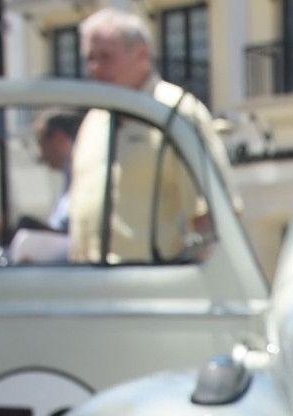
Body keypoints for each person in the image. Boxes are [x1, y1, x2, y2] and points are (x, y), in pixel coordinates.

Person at [68, 7, 227, 265]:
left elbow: (212, 214)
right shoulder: (94, 118)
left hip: (151, 283)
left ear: (142, 55)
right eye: (90, 58)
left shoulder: (176, 113)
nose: (94, 68)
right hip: (88, 285)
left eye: (106, 57)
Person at [35, 109, 81, 232]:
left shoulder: (85, 175)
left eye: (41, 141)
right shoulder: (70, 175)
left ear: (59, 138)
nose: (41, 154)